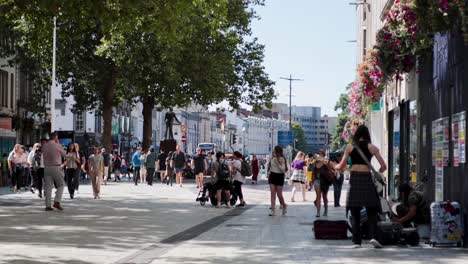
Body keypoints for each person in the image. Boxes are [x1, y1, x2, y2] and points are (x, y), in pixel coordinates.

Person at [335, 125, 387, 249]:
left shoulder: (349, 147)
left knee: (355, 210)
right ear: (367, 135)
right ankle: (373, 237)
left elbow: (341, 166)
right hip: (367, 178)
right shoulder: (372, 147)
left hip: (355, 178)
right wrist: (378, 172)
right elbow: (383, 166)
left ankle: (357, 241)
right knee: (371, 209)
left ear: (356, 134)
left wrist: (335, 167)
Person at [42, 133, 66, 211]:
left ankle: (48, 205)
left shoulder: (44, 146)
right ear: (55, 137)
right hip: (56, 166)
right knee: (61, 184)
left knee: (48, 187)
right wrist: (58, 144)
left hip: (47, 167)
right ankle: (57, 201)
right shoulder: (57, 145)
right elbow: (64, 154)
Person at [313, 150, 334, 217]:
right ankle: (318, 212)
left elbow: (330, 169)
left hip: (325, 181)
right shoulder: (315, 162)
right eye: (319, 154)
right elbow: (313, 172)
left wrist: (324, 162)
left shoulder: (325, 162)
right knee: (318, 196)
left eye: (321, 154)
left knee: (324, 196)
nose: (319, 155)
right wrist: (311, 181)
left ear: (323, 155)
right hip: (317, 180)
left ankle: (325, 210)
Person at [267, 146, 288, 216]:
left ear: (278, 151)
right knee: (272, 193)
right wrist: (268, 173)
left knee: (279, 194)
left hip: (280, 176)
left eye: (275, 151)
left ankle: (284, 205)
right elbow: (270, 167)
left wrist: (278, 162)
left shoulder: (282, 159)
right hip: (272, 175)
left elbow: (283, 169)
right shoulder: (272, 158)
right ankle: (273, 210)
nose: (274, 152)